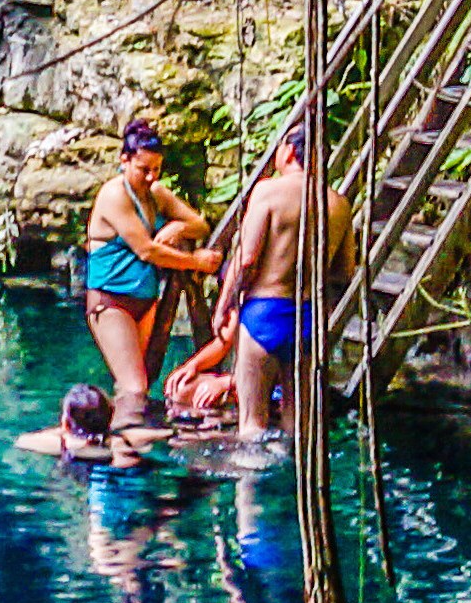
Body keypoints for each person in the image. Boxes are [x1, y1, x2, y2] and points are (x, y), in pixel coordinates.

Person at [169, 118, 349, 440]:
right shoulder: (338, 204)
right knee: (298, 428)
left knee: (252, 427)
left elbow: (246, 258)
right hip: (308, 318)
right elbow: (343, 270)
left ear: (290, 151)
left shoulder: (268, 192)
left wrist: (223, 305)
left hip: (265, 312)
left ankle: (248, 489)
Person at [81, 117, 221, 430]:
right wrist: (197, 263)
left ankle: (117, 435)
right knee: (135, 387)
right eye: (143, 168)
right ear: (124, 160)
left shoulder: (156, 194)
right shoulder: (114, 194)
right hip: (112, 301)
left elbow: (200, 223)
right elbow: (147, 250)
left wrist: (178, 226)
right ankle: (116, 452)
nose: (150, 176)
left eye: (156, 169)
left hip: (145, 300)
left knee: (134, 381)